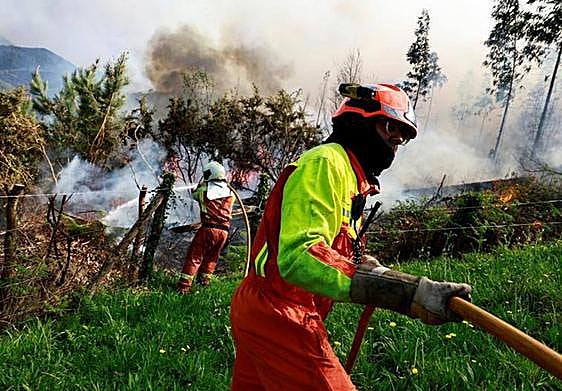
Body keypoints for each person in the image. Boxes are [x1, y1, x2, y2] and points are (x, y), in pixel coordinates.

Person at [229, 83, 472, 390]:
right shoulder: (325, 164)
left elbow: (338, 249)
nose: (397, 141)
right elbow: (299, 256)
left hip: (265, 311)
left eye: (403, 137)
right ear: (359, 121)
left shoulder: (352, 178)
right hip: (282, 314)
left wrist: (372, 269)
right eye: (390, 128)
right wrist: (408, 292)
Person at [176, 161, 234, 294]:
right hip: (224, 232)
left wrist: (200, 186)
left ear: (209, 174)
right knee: (212, 257)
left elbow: (195, 195)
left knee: (195, 255)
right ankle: (204, 282)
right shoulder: (231, 193)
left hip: (209, 229)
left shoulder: (204, 191)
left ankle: (184, 287)